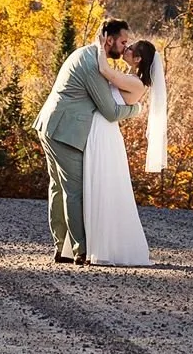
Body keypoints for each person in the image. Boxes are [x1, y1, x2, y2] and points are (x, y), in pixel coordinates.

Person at [33, 17, 140, 264]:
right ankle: (81, 250)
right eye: (123, 42)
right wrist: (137, 110)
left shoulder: (84, 53)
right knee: (74, 190)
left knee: (58, 187)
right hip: (65, 132)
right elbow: (111, 111)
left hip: (50, 125)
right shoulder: (93, 63)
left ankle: (61, 248)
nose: (125, 47)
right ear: (109, 39)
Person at [82, 32, 166, 267]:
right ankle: (94, 245)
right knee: (97, 184)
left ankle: (106, 248)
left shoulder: (135, 83)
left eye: (131, 48)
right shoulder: (130, 77)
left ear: (138, 59)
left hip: (105, 133)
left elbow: (104, 71)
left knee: (104, 187)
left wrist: (100, 46)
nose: (126, 48)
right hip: (100, 129)